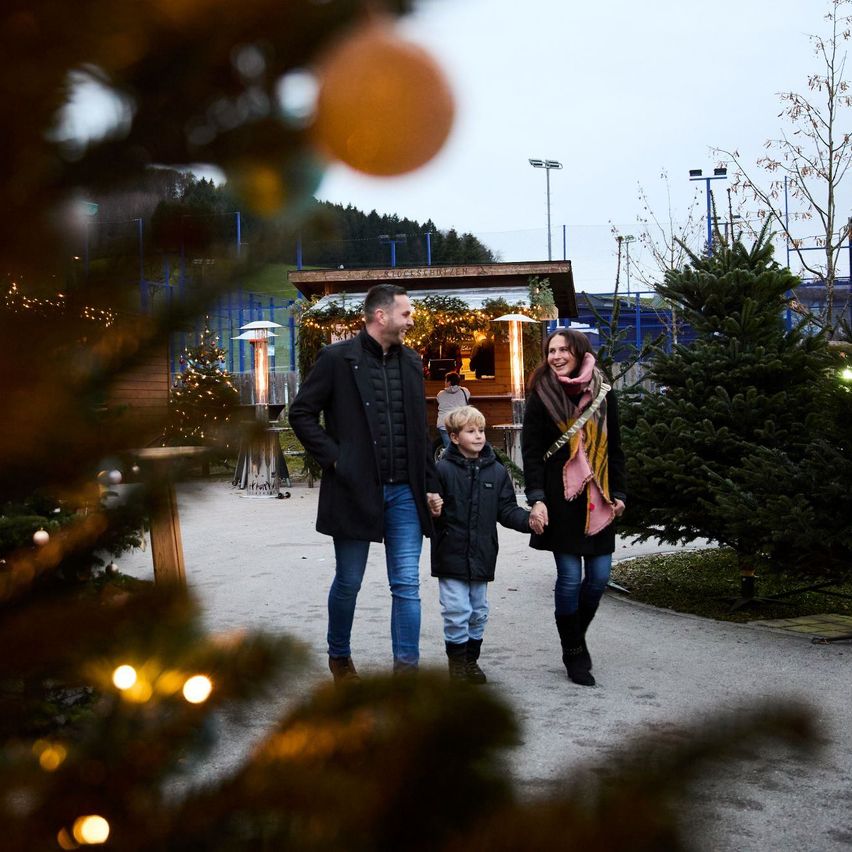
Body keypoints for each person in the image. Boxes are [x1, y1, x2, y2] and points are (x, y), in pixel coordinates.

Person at [289, 283, 442, 683]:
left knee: (406, 583)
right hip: (356, 490)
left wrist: (430, 484)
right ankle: (339, 656)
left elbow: (419, 430)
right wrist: (337, 458)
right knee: (349, 581)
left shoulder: (411, 361)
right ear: (381, 316)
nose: (411, 321)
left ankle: (405, 673)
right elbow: (301, 413)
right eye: (406, 314)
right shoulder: (337, 359)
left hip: (405, 493)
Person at [521, 329, 626, 687]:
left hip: (598, 495)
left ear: (580, 352)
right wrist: (536, 496)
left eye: (564, 349)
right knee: (569, 578)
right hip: (560, 498)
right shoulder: (540, 395)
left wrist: (622, 492)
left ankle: (573, 638)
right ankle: (574, 652)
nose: (556, 355)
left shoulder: (603, 393)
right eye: (551, 350)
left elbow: (616, 449)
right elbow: (532, 451)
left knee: (598, 578)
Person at [428, 406, 540, 683]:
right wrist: (432, 509)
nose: (479, 436)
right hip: (449, 553)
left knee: (478, 612)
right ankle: (456, 664)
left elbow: (506, 510)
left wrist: (529, 521)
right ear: (454, 437)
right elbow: (429, 513)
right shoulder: (441, 470)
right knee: (456, 611)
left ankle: (470, 661)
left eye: (481, 430)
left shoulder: (497, 472)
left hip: (482, 553)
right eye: (471, 431)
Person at [435, 372, 470, 449]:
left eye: (445, 381)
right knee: (460, 448)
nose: (444, 382)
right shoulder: (465, 391)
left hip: (444, 424)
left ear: (449, 382)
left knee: (449, 448)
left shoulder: (440, 394)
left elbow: (439, 401)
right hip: (459, 423)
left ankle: (451, 459)